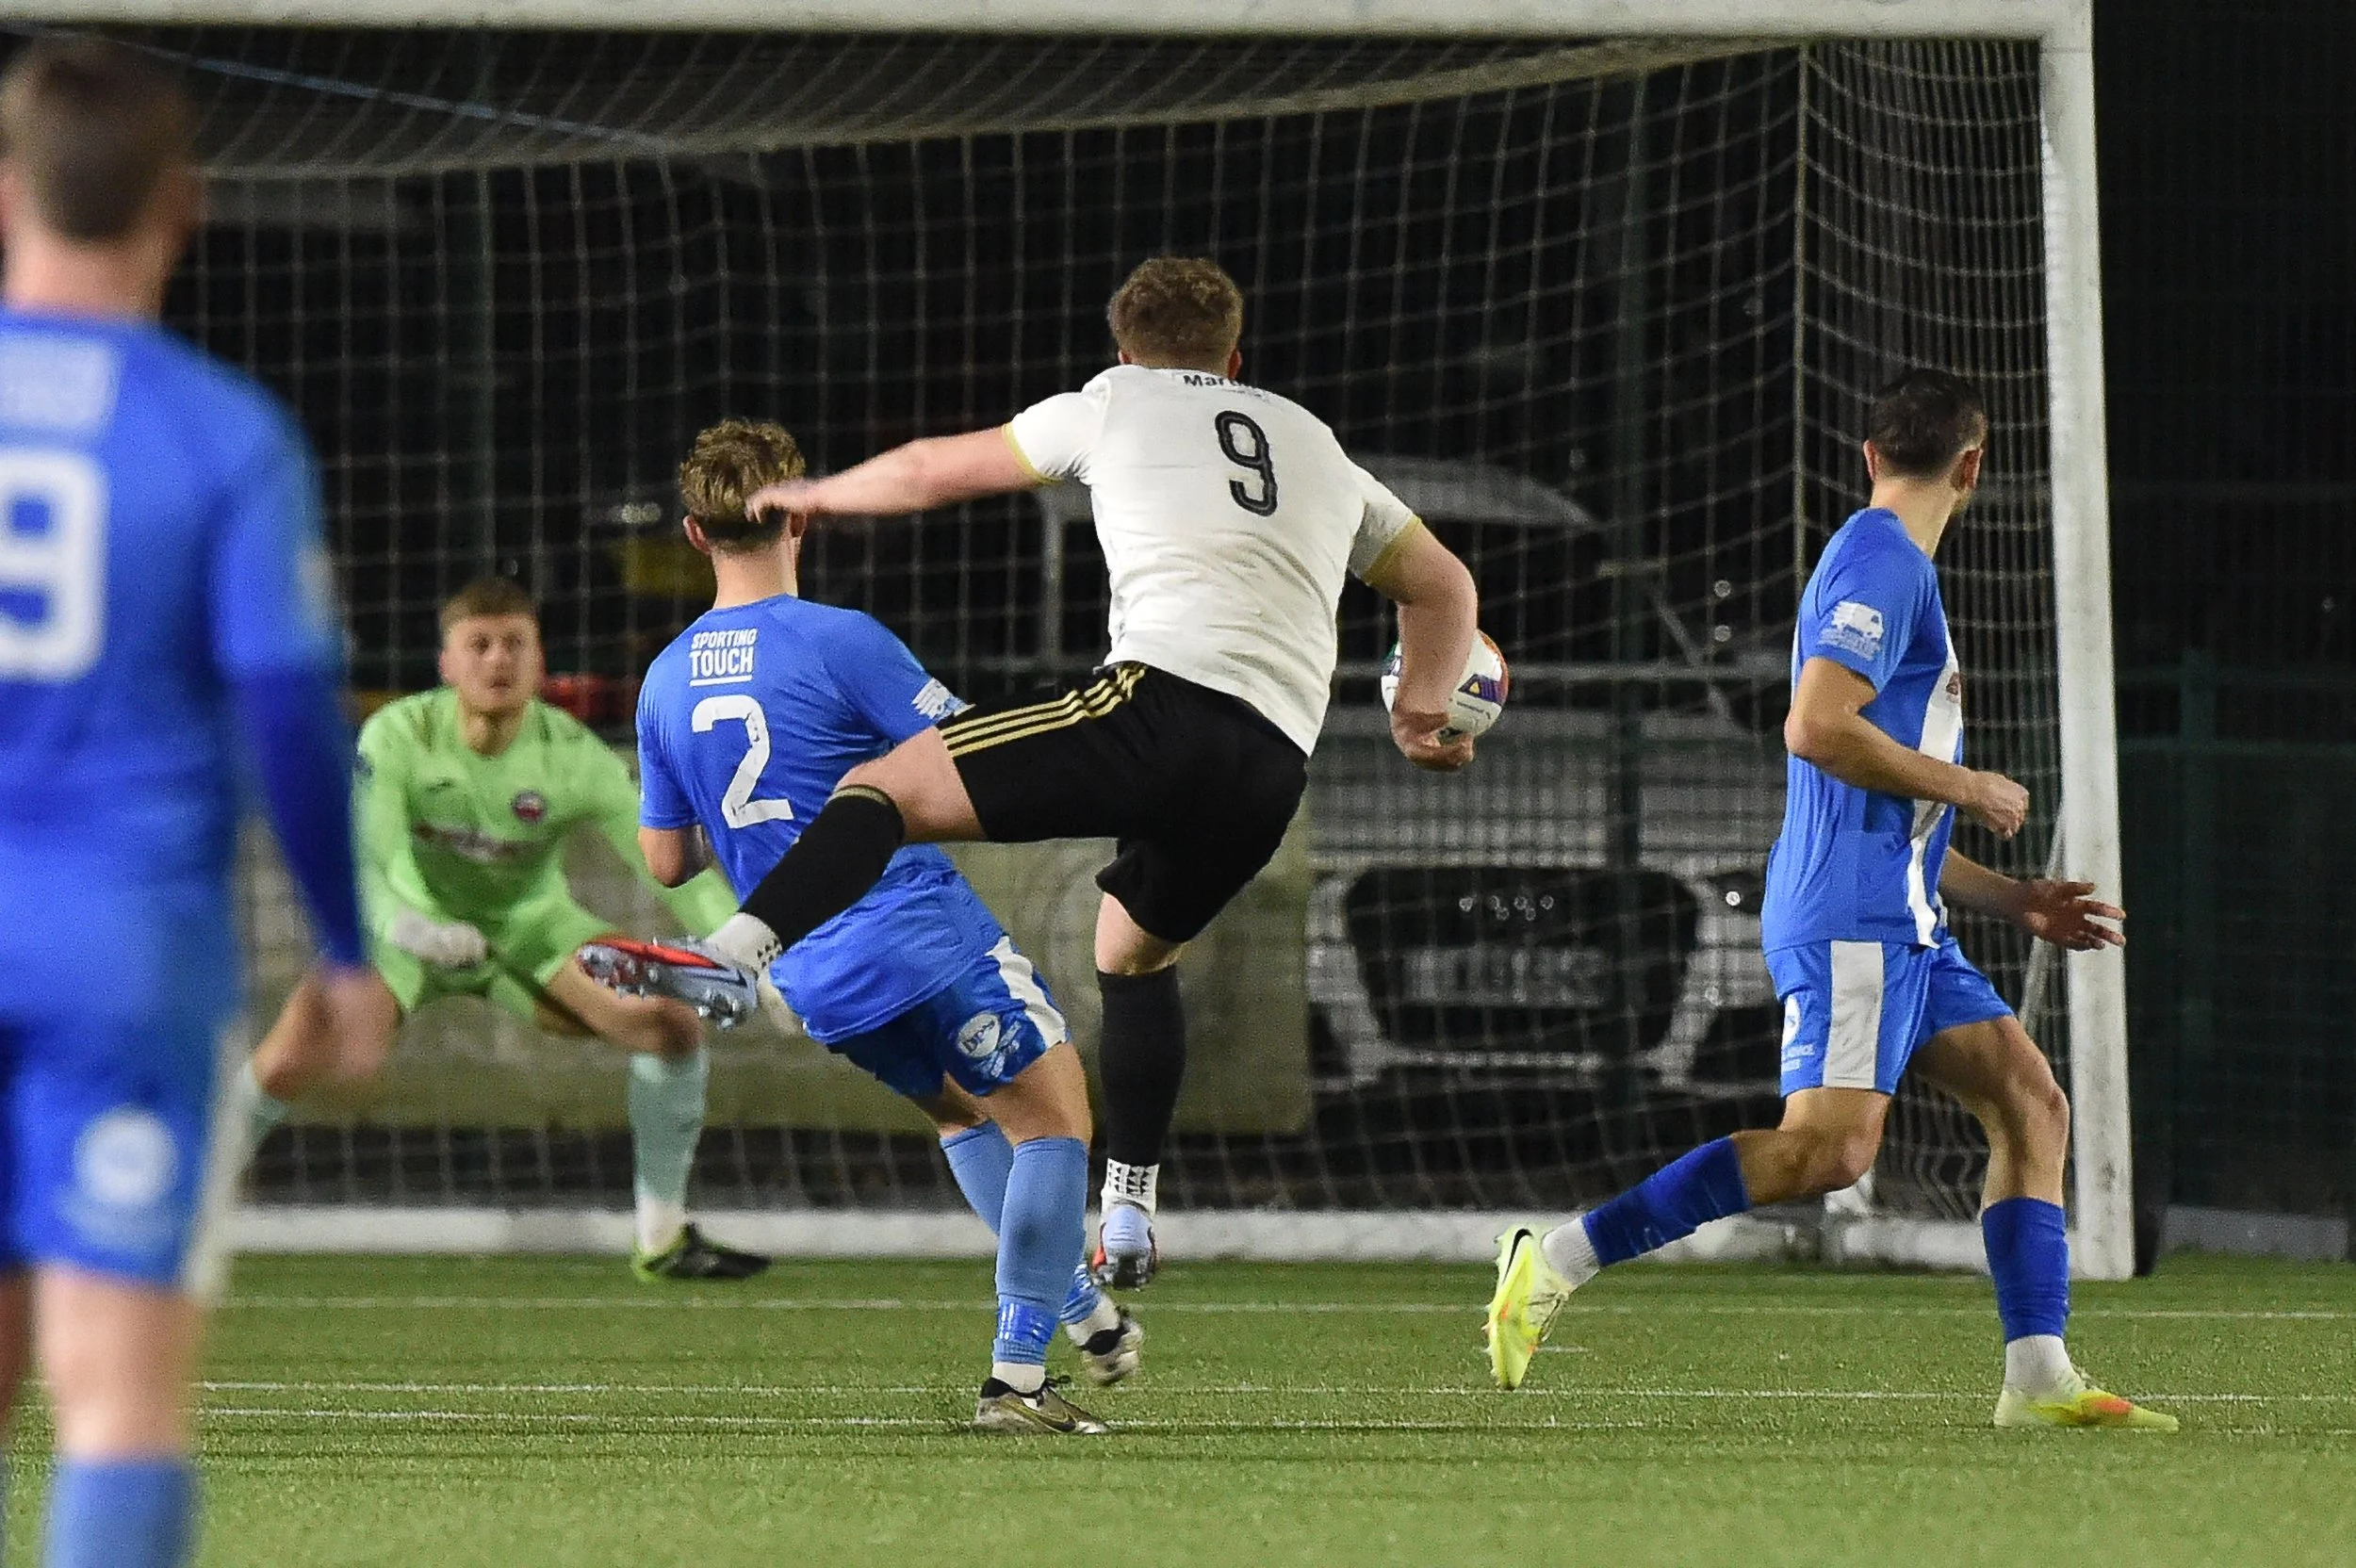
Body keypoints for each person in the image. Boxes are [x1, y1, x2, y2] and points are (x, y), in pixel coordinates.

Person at [695, 256, 1481, 1287]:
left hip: (1153, 712)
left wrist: (820, 492)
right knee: (1132, 954)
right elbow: (1441, 584)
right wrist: (1422, 712)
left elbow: (937, 469)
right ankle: (1132, 1211)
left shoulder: (1113, 403)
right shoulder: (1315, 443)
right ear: (1235, 358)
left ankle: (735, 951)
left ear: (1122, 349)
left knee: (880, 789)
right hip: (1269, 770)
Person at [1483, 368, 2175, 1432]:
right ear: (1972, 466)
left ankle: (2037, 1377)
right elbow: (1813, 726)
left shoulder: (1889, 564)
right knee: (1829, 1151)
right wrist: (1969, 783)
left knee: (2030, 1102)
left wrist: (2014, 898)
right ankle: (1557, 1257)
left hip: (1902, 911)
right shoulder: (1880, 560)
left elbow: (1882, 800)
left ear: (1868, 452)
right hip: (1854, 915)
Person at [0, 39, 376, 1565]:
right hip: (124, 947)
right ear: (185, 204)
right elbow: (287, 704)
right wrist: (345, 947)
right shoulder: (226, 433)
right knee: (114, 1397)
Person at [610, 416, 1137, 1434]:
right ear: (801, 513)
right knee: (1056, 1116)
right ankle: (1017, 1379)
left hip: (806, 968)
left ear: (691, 534)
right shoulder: (840, 639)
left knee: (962, 1115)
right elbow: (965, 747)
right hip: (911, 924)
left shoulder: (664, 679)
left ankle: (1080, 1309)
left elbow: (667, 858)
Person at [240, 578, 768, 1282]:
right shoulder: (397, 735)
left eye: (515, 643)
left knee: (670, 1024)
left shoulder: (572, 754)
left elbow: (665, 867)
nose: (497, 660)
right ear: (446, 664)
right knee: (283, 1063)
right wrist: (412, 927)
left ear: (540, 660)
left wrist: (750, 945)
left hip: (528, 932)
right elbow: (364, 861)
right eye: (479, 644)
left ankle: (663, 1238)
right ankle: (172, 1219)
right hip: (404, 933)